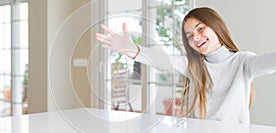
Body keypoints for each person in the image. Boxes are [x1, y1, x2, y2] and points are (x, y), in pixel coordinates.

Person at [95, 7, 276, 124]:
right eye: (189, 36)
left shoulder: (243, 62)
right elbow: (161, 61)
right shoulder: (193, 65)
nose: (196, 37)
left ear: (216, 26)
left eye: (200, 28)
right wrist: (131, 49)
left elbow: (269, 62)